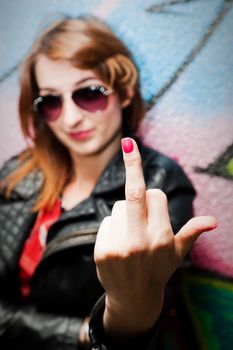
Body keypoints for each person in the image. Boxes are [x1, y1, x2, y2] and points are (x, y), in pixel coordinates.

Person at [0, 15, 217, 350]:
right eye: (51, 101)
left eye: (89, 93)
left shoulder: (160, 184)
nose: (71, 118)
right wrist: (80, 333)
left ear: (125, 92)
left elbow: (141, 324)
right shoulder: (17, 175)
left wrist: (128, 307)